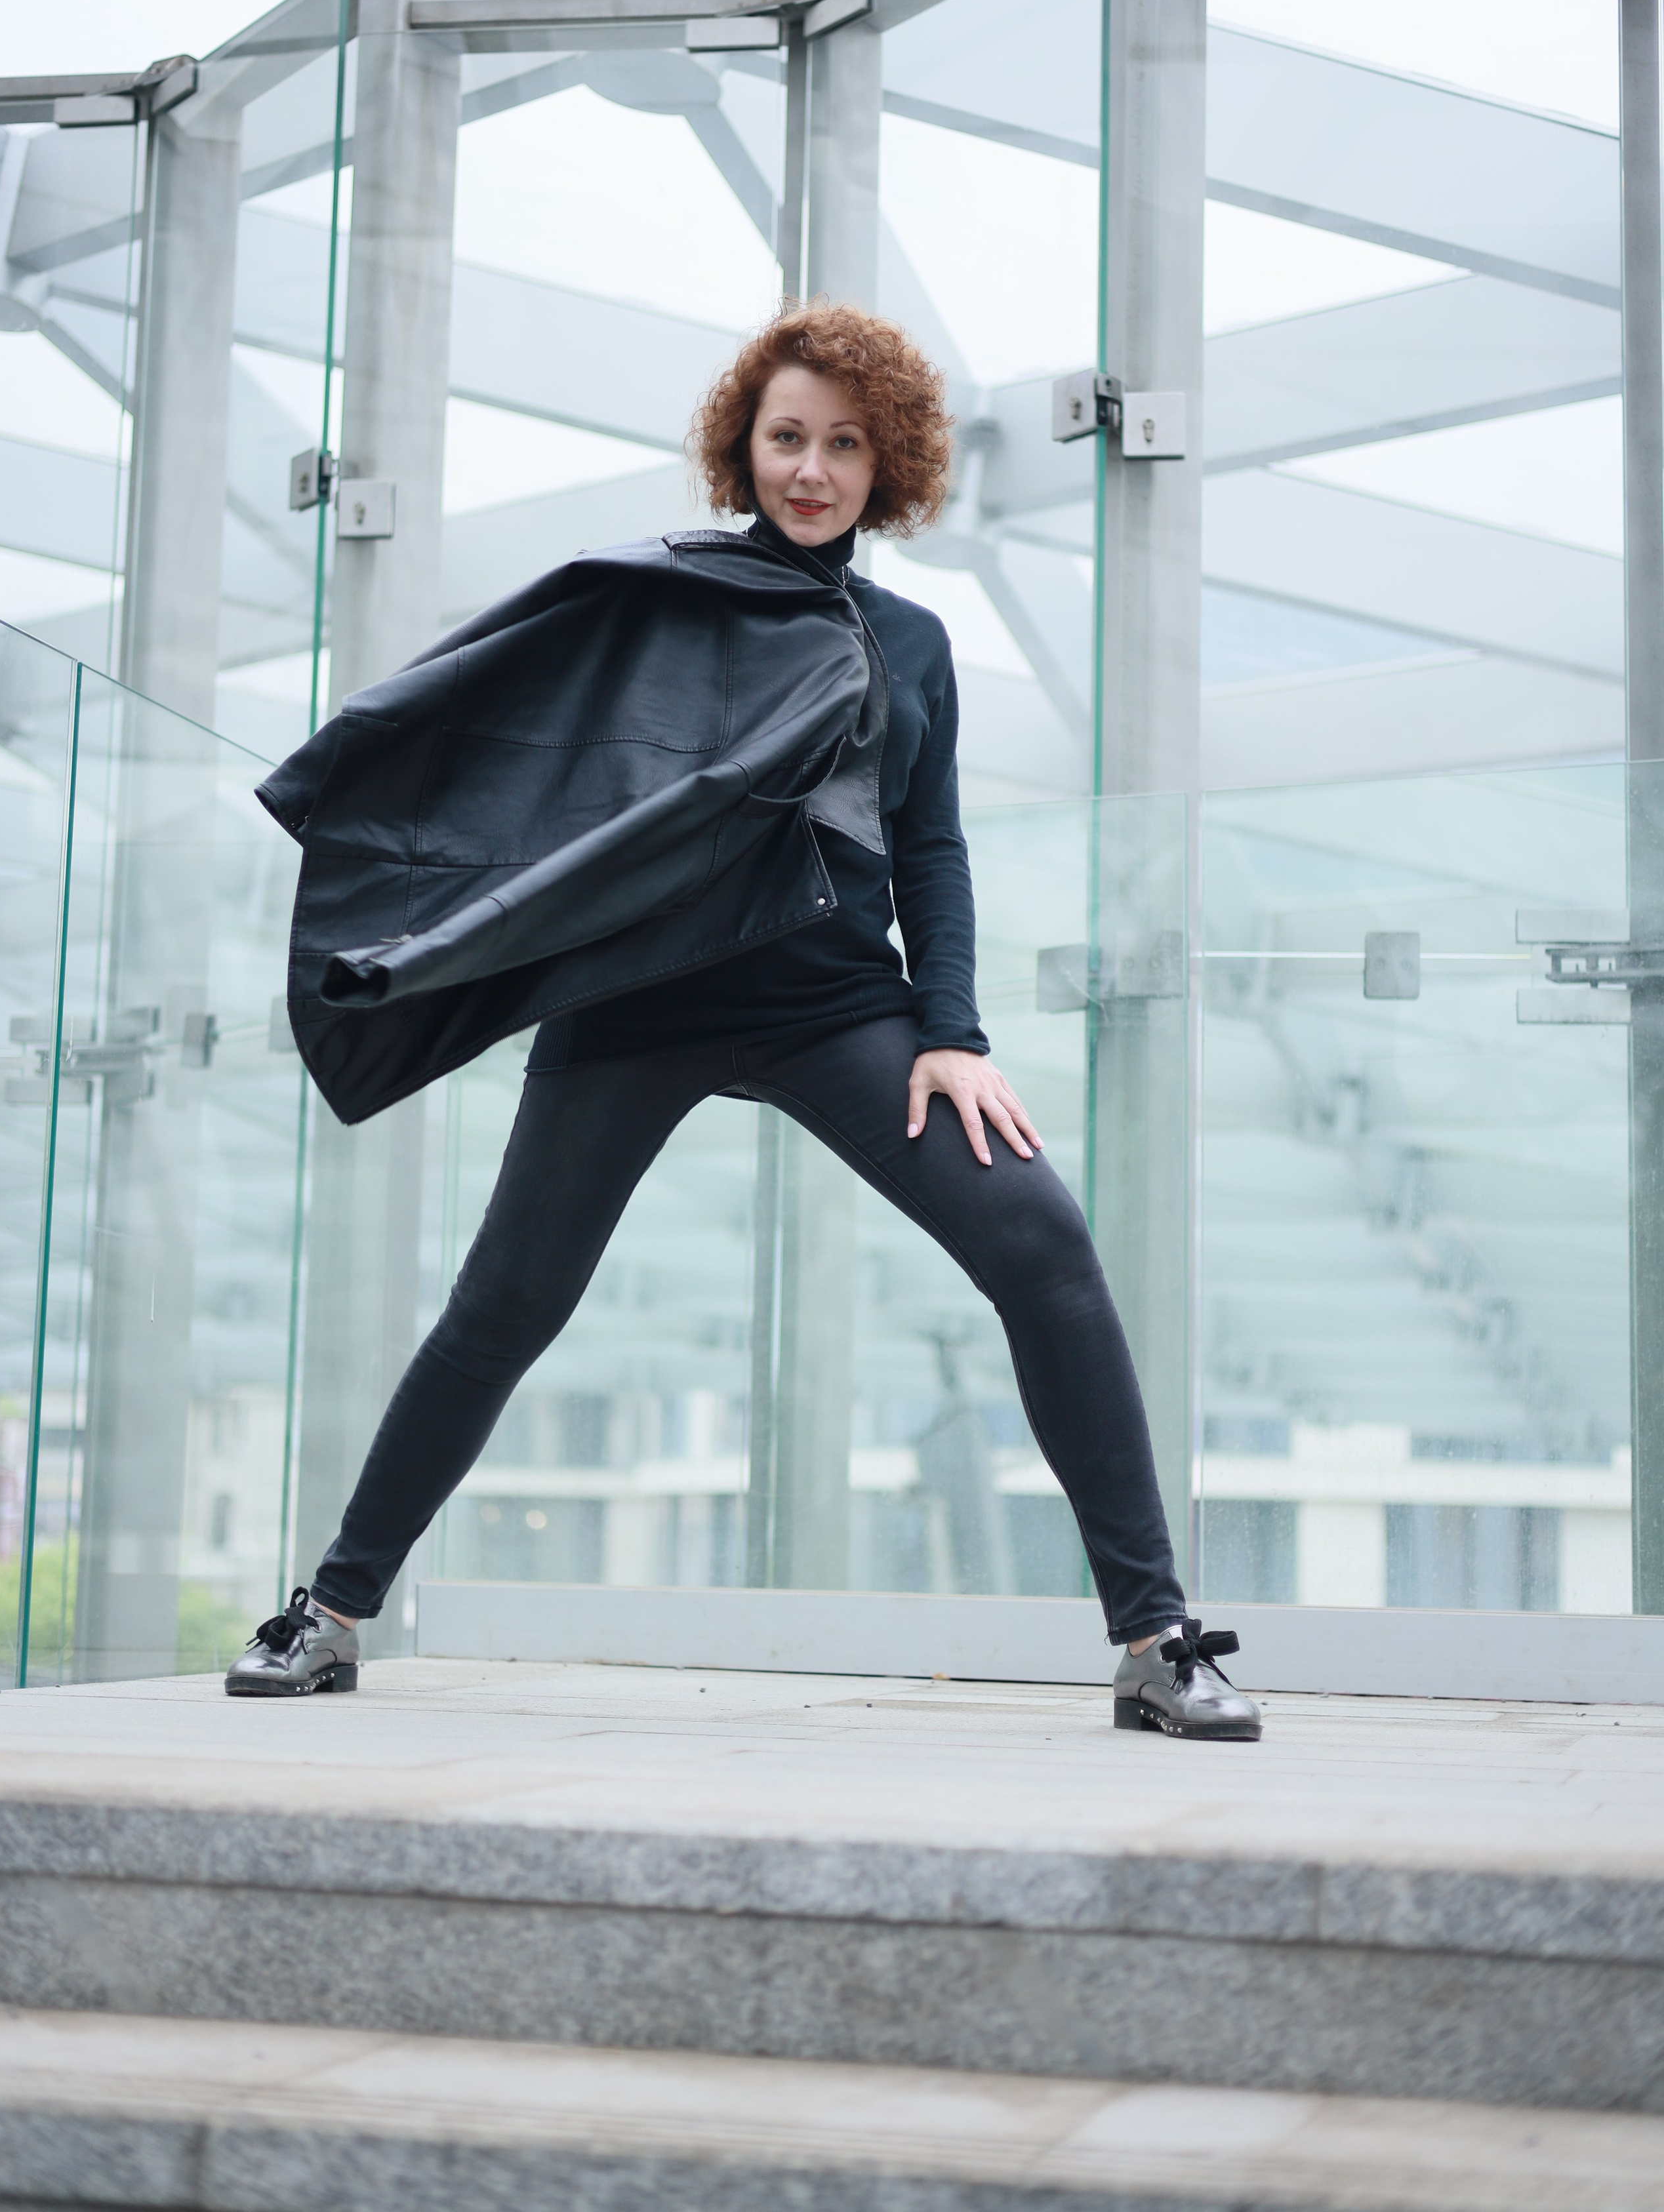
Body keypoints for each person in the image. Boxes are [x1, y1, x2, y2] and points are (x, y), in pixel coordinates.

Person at [228, 301, 1259, 1742]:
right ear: (741, 445)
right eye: (786, 437)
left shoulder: (909, 642)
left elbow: (931, 846)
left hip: (835, 1006)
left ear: (885, 460)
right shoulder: (656, 597)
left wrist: (949, 1030)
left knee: (1039, 1238)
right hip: (633, 1006)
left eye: (844, 443)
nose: (811, 469)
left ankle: (1154, 1642)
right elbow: (518, 735)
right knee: (503, 1307)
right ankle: (328, 1618)